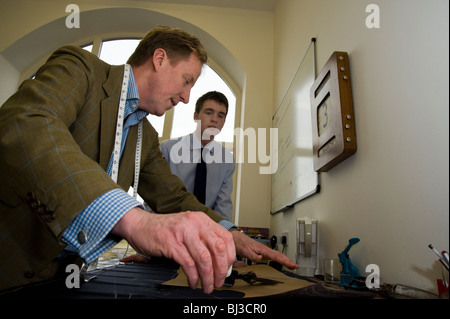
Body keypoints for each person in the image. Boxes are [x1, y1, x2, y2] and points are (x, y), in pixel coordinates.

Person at [0, 25, 297, 294]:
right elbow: (26, 125)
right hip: (9, 262)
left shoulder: (146, 136)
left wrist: (230, 232)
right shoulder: (81, 69)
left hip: (64, 275)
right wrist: (135, 221)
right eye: (186, 80)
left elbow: (174, 198)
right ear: (159, 59)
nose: (185, 97)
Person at [160, 90, 234, 221]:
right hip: (169, 226)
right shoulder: (168, 149)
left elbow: (223, 207)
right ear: (196, 116)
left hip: (205, 231)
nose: (214, 119)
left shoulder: (226, 159)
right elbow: (155, 196)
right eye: (209, 112)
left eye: (221, 115)